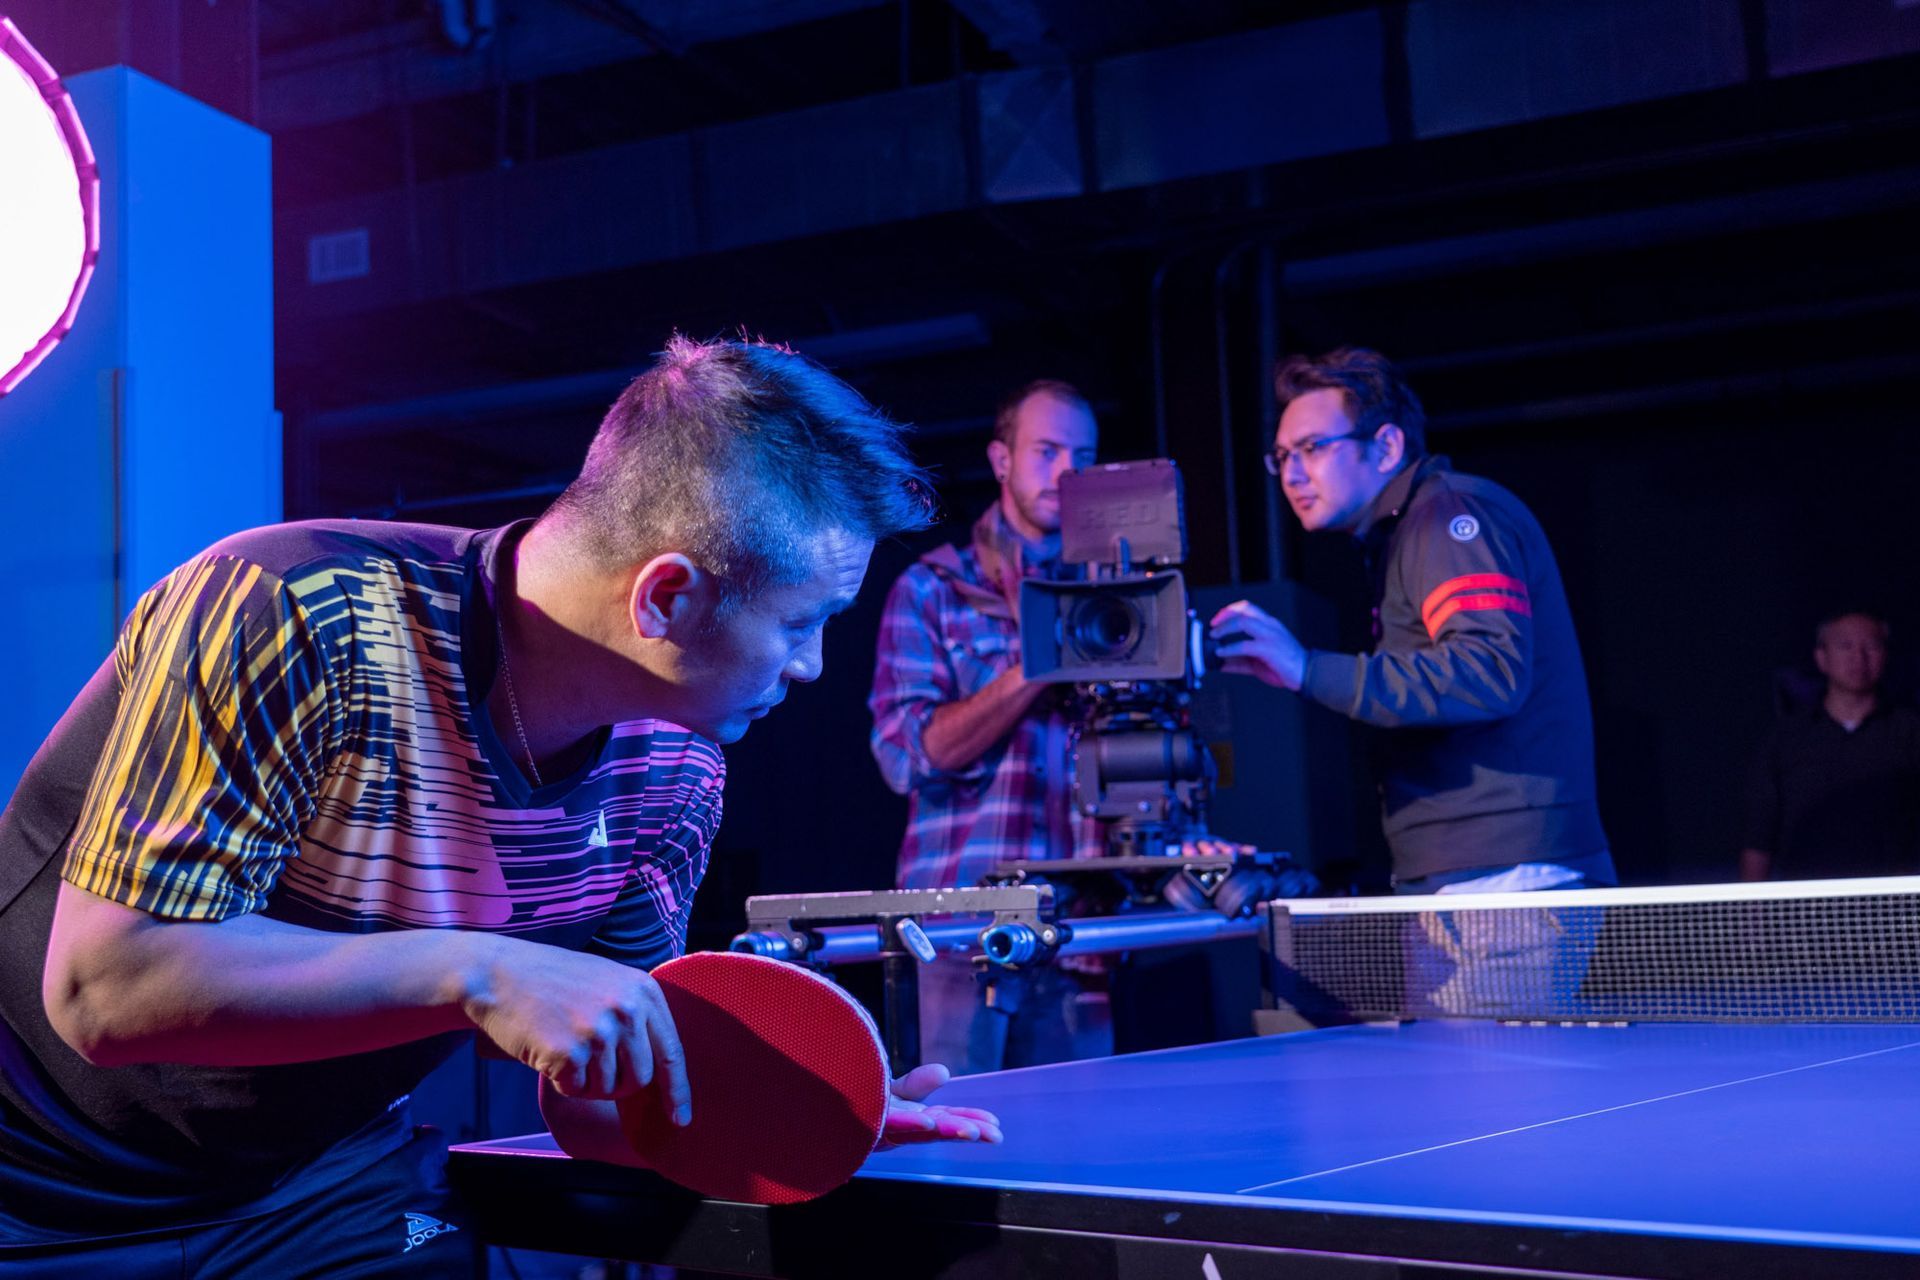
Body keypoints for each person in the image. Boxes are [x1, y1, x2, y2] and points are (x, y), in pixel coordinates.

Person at [0, 336, 1000, 1277]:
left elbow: (602, 1098)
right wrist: (478, 969)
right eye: (802, 621)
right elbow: (103, 988)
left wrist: (793, 1116)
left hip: (314, 1185)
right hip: (36, 1179)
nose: (815, 665)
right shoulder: (293, 609)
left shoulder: (677, 770)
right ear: (666, 598)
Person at [1207, 347, 1614, 896]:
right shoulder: (1405, 532)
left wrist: (1306, 668)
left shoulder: (1447, 516)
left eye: (1311, 448)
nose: (1292, 474)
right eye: (1281, 457)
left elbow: (1488, 673)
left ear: (1387, 446)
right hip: (1468, 873)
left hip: (1505, 877)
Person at [868, 379, 1109, 1074]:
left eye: (1083, 455)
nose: (1068, 473)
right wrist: (1037, 668)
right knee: (957, 1142)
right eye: (1047, 450)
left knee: (1086, 1159)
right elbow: (904, 755)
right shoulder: (934, 588)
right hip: (959, 931)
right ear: (1002, 460)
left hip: (1082, 932)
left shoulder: (1118, 598)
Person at [1740, 611, 1920, 881]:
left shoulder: (1910, 731)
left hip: (1895, 903)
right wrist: (1751, 916)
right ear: (1822, 657)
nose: (1858, 658)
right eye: (1845, 646)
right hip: (1807, 904)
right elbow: (1758, 836)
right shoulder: (1786, 739)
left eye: (1871, 646)